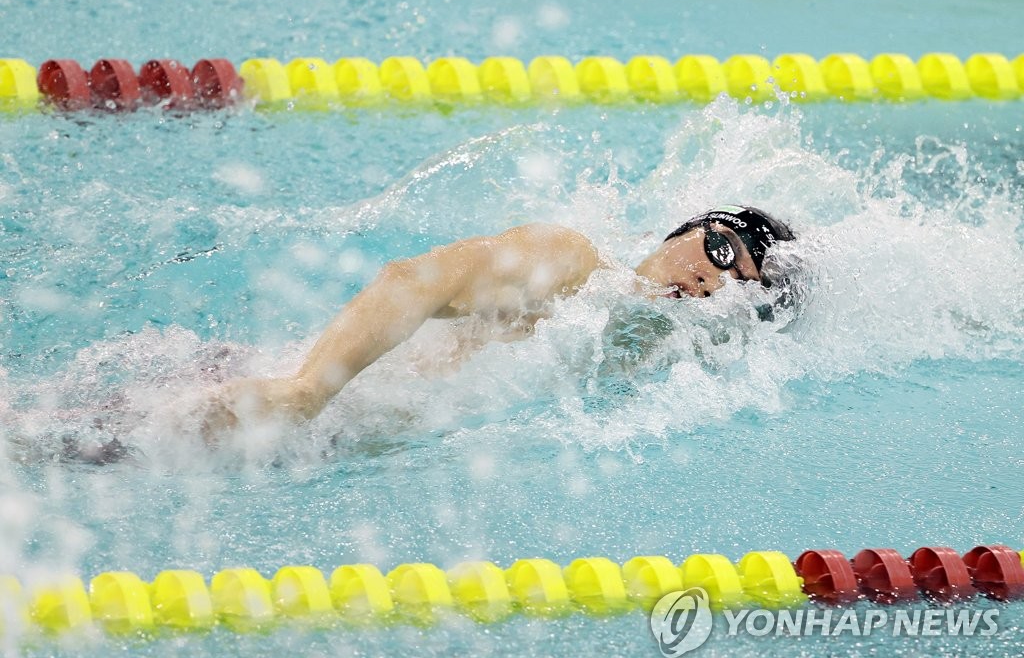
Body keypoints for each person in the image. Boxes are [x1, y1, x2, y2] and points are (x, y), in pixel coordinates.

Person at [200, 205, 796, 439]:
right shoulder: (575, 263)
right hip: (269, 396)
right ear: (690, 227)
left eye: (736, 283)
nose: (709, 281)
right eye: (719, 252)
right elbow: (415, 279)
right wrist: (308, 391)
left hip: (331, 432)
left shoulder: (651, 358)